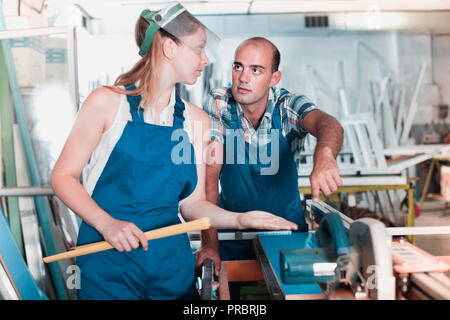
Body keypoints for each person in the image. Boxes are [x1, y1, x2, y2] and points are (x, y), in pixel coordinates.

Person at [50, 4, 297, 300]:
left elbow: (192, 206)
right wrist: (107, 223)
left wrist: (239, 220)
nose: (206, 60)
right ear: (169, 48)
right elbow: (63, 177)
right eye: (199, 48)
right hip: (108, 266)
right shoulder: (106, 104)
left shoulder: (196, 121)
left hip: (169, 270)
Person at [197, 37, 344, 281]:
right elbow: (210, 177)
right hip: (232, 233)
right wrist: (210, 244)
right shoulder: (221, 102)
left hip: (286, 233)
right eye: (238, 67)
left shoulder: (287, 106)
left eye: (256, 70)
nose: (243, 78)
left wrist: (325, 155)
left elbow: (327, 124)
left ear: (274, 78)